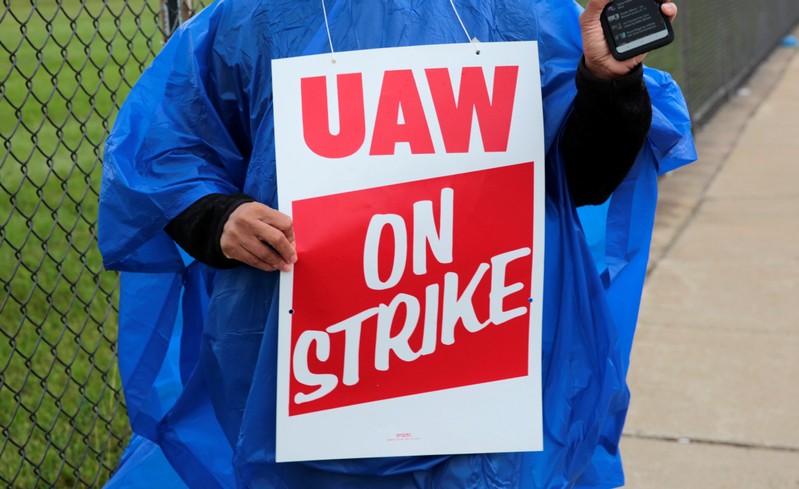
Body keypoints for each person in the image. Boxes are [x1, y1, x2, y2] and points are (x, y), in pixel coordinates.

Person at [99, 0, 696, 487]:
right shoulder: (254, 16)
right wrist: (217, 218)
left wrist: (606, 79)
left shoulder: (529, 14)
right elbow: (164, 148)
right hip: (312, 376)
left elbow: (582, 177)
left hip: (483, 365)